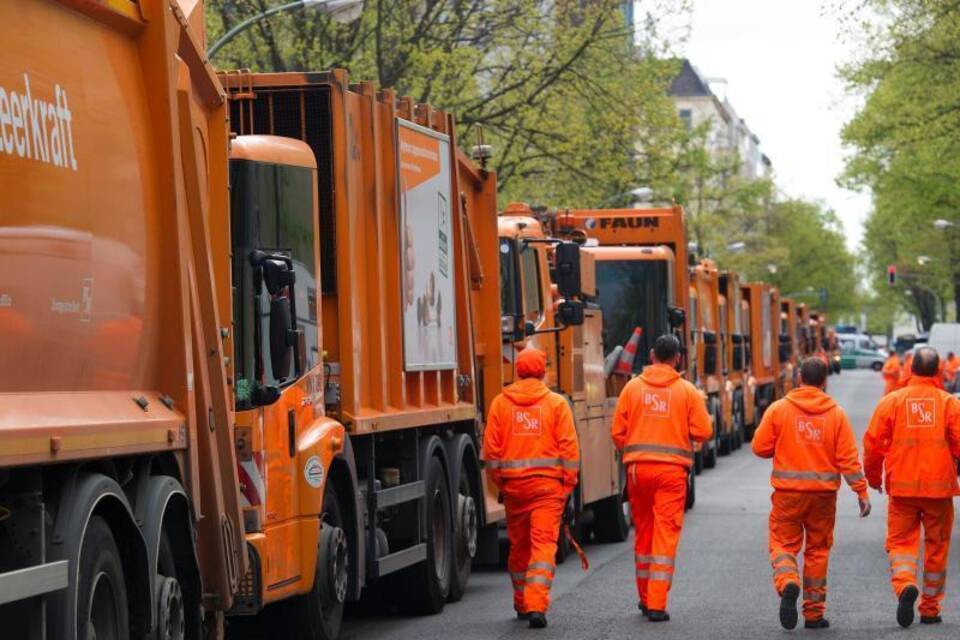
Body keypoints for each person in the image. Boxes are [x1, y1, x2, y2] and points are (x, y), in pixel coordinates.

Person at [752, 358, 871, 630]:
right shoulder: (836, 414)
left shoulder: (779, 409)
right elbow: (848, 459)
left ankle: (788, 581)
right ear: (825, 381)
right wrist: (861, 492)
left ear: (798, 379)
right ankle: (814, 614)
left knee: (782, 545)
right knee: (818, 550)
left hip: (787, 496)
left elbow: (759, 447)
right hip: (823, 498)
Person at [611, 334, 713, 622]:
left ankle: (645, 597)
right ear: (678, 358)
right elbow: (704, 431)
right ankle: (656, 603)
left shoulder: (632, 388)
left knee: (643, 532)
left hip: (637, 471)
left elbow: (618, 432)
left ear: (653, 355)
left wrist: (634, 450)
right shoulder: (687, 391)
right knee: (664, 535)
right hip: (671, 473)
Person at [482, 346, 580, 629]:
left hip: (514, 490)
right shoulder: (556, 404)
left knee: (519, 546)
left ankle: (521, 602)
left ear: (518, 370)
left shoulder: (501, 403)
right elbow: (569, 451)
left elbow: (491, 452)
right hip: (548, 490)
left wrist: (501, 483)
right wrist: (567, 487)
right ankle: (536, 604)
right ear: (542, 370)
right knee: (543, 545)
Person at [864, 347, 960, 628]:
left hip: (903, 491)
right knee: (937, 546)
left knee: (901, 544)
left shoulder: (892, 402)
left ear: (910, 370)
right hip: (939, 490)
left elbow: (872, 445)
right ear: (938, 372)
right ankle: (930, 608)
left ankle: (905, 584)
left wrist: (872, 478)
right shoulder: (949, 405)